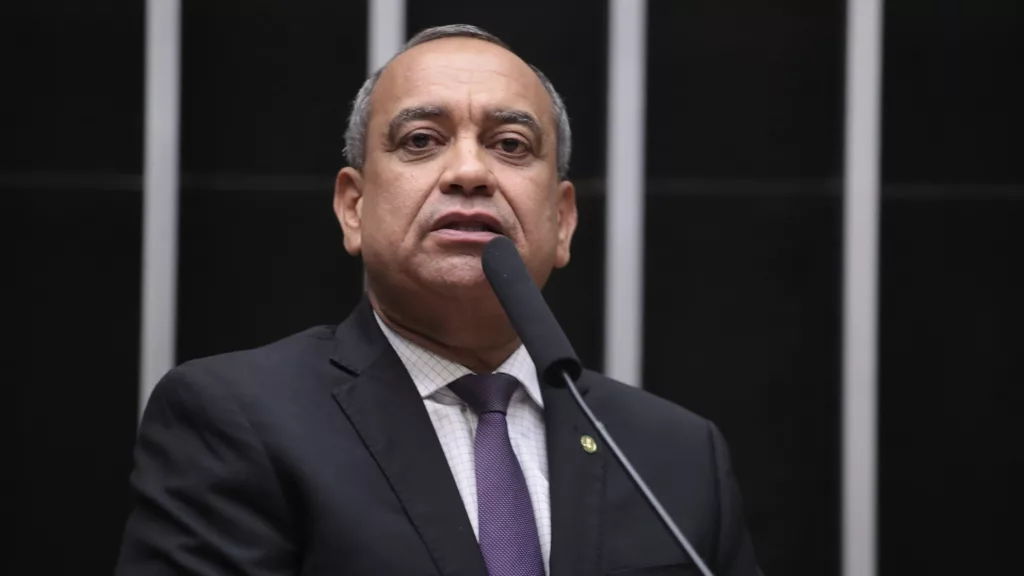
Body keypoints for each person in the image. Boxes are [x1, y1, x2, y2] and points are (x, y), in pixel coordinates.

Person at [116, 24, 762, 576]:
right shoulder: (235, 417)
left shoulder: (674, 453)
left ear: (562, 221)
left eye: (511, 146)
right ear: (354, 208)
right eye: (421, 140)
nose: (470, 173)